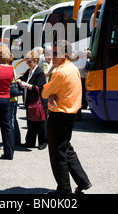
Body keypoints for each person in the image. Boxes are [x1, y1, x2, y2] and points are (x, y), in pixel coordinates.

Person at [42, 40, 92, 194]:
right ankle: (83, 181)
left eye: (56, 53)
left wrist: (50, 94)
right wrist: (52, 94)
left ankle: (64, 190)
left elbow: (44, 92)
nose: (52, 56)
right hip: (69, 115)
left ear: (65, 55)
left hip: (59, 115)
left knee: (58, 154)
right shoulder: (72, 69)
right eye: (52, 53)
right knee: (65, 149)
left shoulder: (60, 72)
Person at [18, 50, 48, 150]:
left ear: (36, 61)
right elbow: (22, 78)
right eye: (27, 61)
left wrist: (27, 85)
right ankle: (30, 142)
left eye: (30, 61)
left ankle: (43, 142)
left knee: (41, 123)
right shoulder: (29, 71)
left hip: (39, 101)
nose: (28, 64)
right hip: (29, 101)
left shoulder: (39, 72)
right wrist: (18, 80)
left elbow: (39, 88)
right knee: (30, 122)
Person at [8, 53, 21, 146]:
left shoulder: (9, 69)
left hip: (10, 97)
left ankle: (11, 140)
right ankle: (16, 139)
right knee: (13, 118)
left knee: (11, 119)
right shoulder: (12, 68)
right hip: (14, 97)